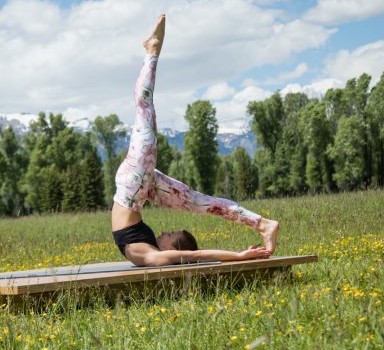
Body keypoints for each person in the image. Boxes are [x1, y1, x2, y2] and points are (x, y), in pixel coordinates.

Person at [111, 14, 279, 267]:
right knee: (198, 202)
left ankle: (152, 50)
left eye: (169, 236)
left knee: (145, 109)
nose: (166, 233)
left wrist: (237, 256)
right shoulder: (152, 252)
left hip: (134, 187)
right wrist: (237, 256)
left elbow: (195, 255)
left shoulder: (150, 256)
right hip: (138, 188)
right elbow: (195, 255)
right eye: (171, 235)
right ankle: (263, 224)